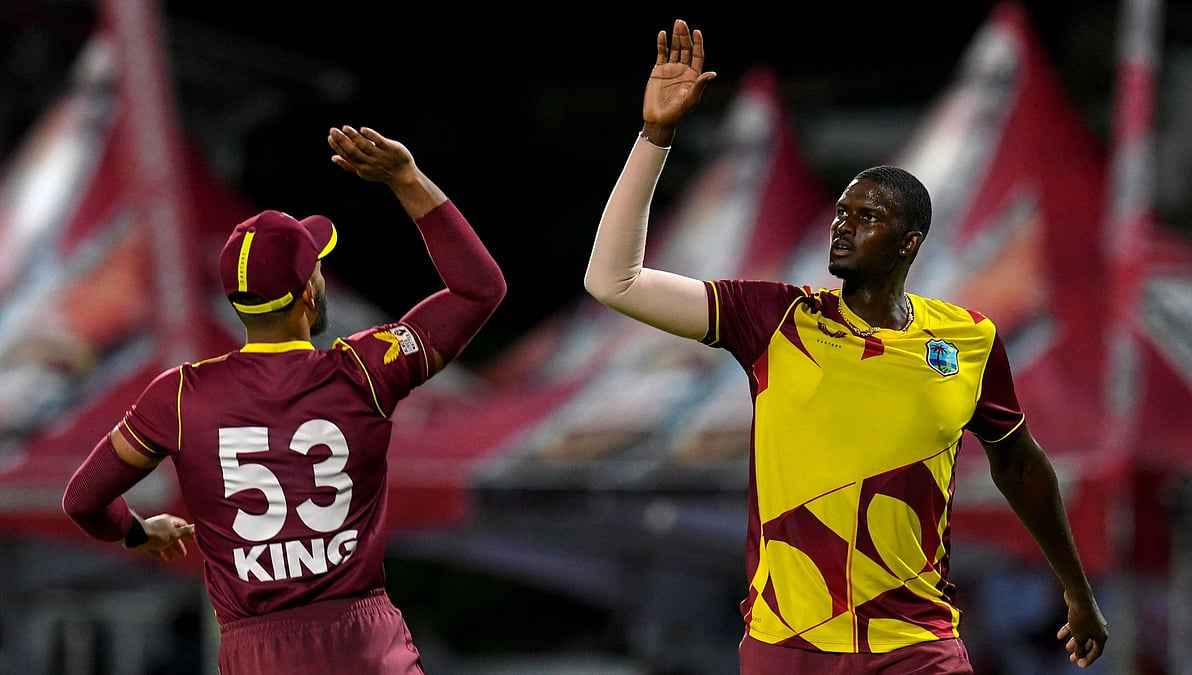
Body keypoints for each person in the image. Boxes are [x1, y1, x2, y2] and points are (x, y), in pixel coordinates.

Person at [583, 19, 1108, 674]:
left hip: (916, 646)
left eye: (867, 217)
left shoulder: (968, 339)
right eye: (840, 212)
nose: (842, 226)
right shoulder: (774, 317)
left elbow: (1022, 468)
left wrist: (1077, 589)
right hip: (790, 647)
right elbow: (613, 280)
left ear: (910, 240)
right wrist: (655, 135)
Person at [62, 125, 506, 674]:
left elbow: (83, 498)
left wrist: (135, 532)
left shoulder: (176, 396)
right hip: (364, 646)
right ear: (308, 293)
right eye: (317, 263)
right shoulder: (367, 370)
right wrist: (405, 177)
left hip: (257, 654)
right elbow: (479, 289)